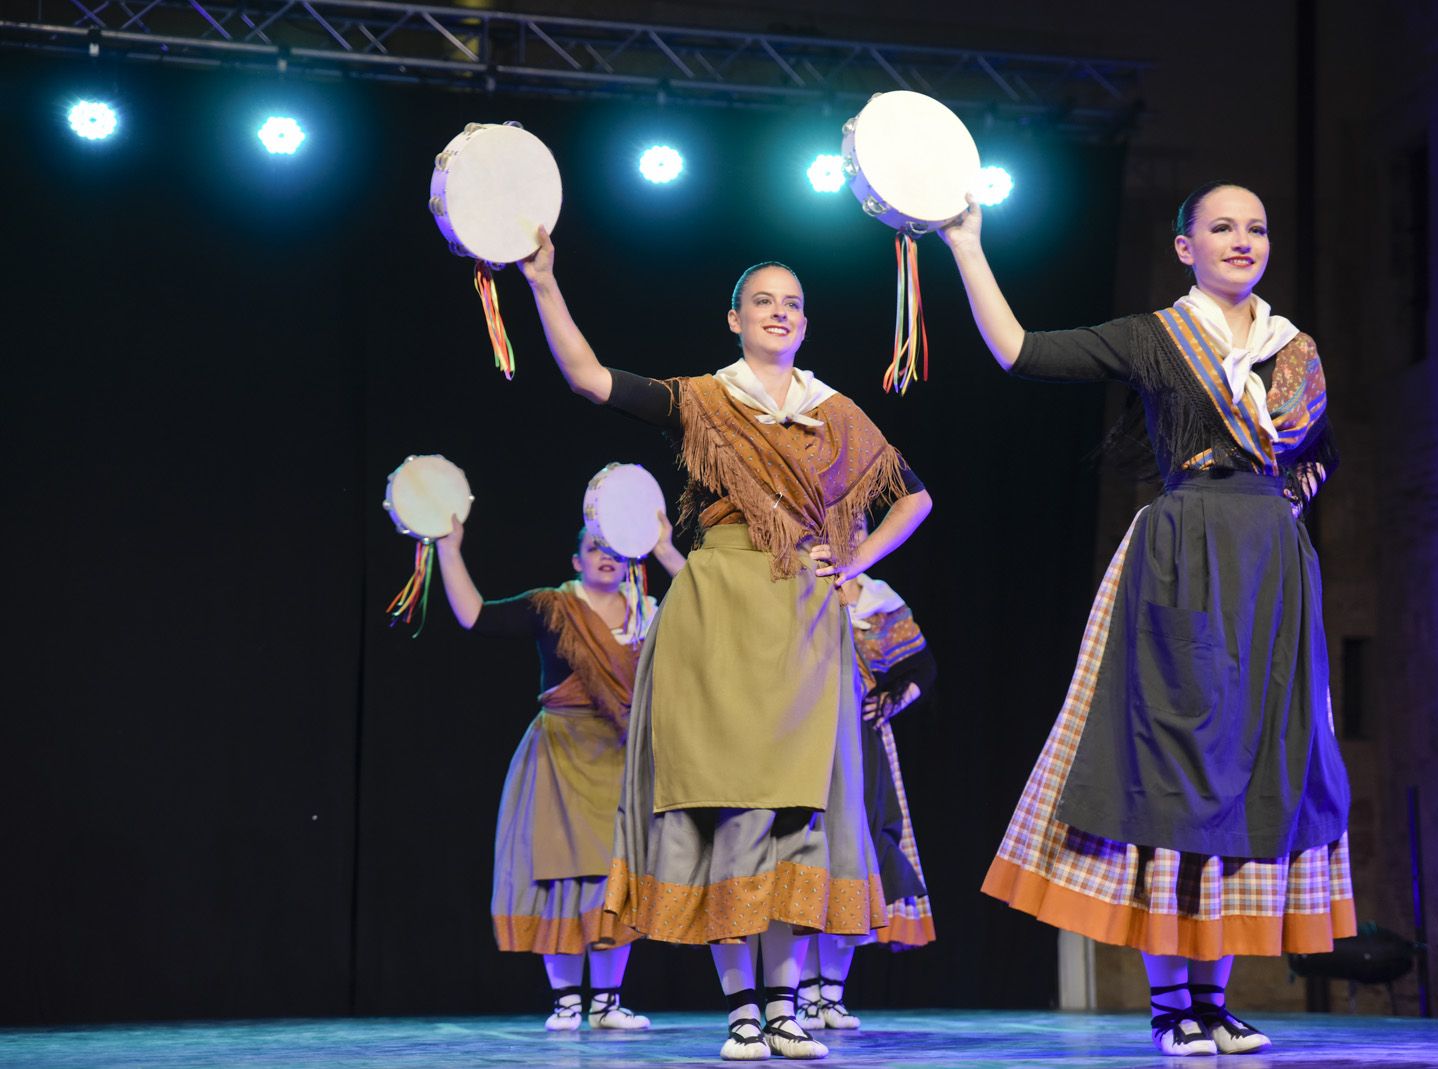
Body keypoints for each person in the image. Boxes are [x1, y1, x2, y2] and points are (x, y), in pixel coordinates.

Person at [937, 181, 1354, 1056]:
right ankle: (1171, 1006)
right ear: (1184, 247)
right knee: (1176, 759)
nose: (1243, 241)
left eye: (1257, 228)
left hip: (1271, 566)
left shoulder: (1295, 350)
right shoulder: (1158, 336)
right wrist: (967, 245)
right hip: (1183, 554)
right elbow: (1019, 351)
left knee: (1249, 760)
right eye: (1222, 228)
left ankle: (1215, 996)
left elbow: (1313, 465)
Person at [518, 232, 933, 1061]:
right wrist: (542, 282)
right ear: (735, 318)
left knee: (793, 812)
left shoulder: (834, 412)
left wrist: (852, 559)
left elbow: (913, 499)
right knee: (728, 809)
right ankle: (743, 1008)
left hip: (805, 620)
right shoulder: (704, 399)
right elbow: (590, 379)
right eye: (764, 301)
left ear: (805, 323)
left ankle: (783, 1005)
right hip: (717, 610)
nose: (779, 313)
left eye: (793, 303)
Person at [434, 513, 684, 1031]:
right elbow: (475, 616)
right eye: (594, 547)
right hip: (560, 754)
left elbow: (710, 609)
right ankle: (567, 1000)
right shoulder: (554, 607)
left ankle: (608, 1003)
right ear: (577, 560)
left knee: (614, 878)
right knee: (561, 875)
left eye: (615, 546)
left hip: (620, 755)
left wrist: (663, 547)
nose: (605, 555)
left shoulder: (649, 614)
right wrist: (449, 549)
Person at [798, 557, 937, 1032]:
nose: (849, 534)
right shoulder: (799, 586)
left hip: (862, 745)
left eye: (857, 525)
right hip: (805, 740)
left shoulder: (880, 601)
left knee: (853, 857)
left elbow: (923, 667)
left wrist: (893, 702)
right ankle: (798, 994)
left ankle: (831, 995)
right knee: (808, 858)